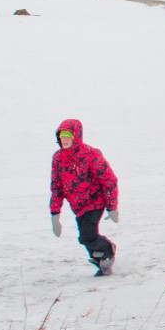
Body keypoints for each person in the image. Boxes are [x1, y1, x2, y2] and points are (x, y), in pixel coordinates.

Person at [49, 118, 119, 276]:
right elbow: (56, 187)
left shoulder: (90, 154)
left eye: (68, 135)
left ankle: (108, 250)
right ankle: (102, 262)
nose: (65, 139)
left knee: (88, 235)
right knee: (84, 238)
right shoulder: (58, 158)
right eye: (62, 136)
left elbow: (109, 179)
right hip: (77, 206)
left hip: (95, 201)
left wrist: (112, 206)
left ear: (76, 136)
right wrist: (55, 214)